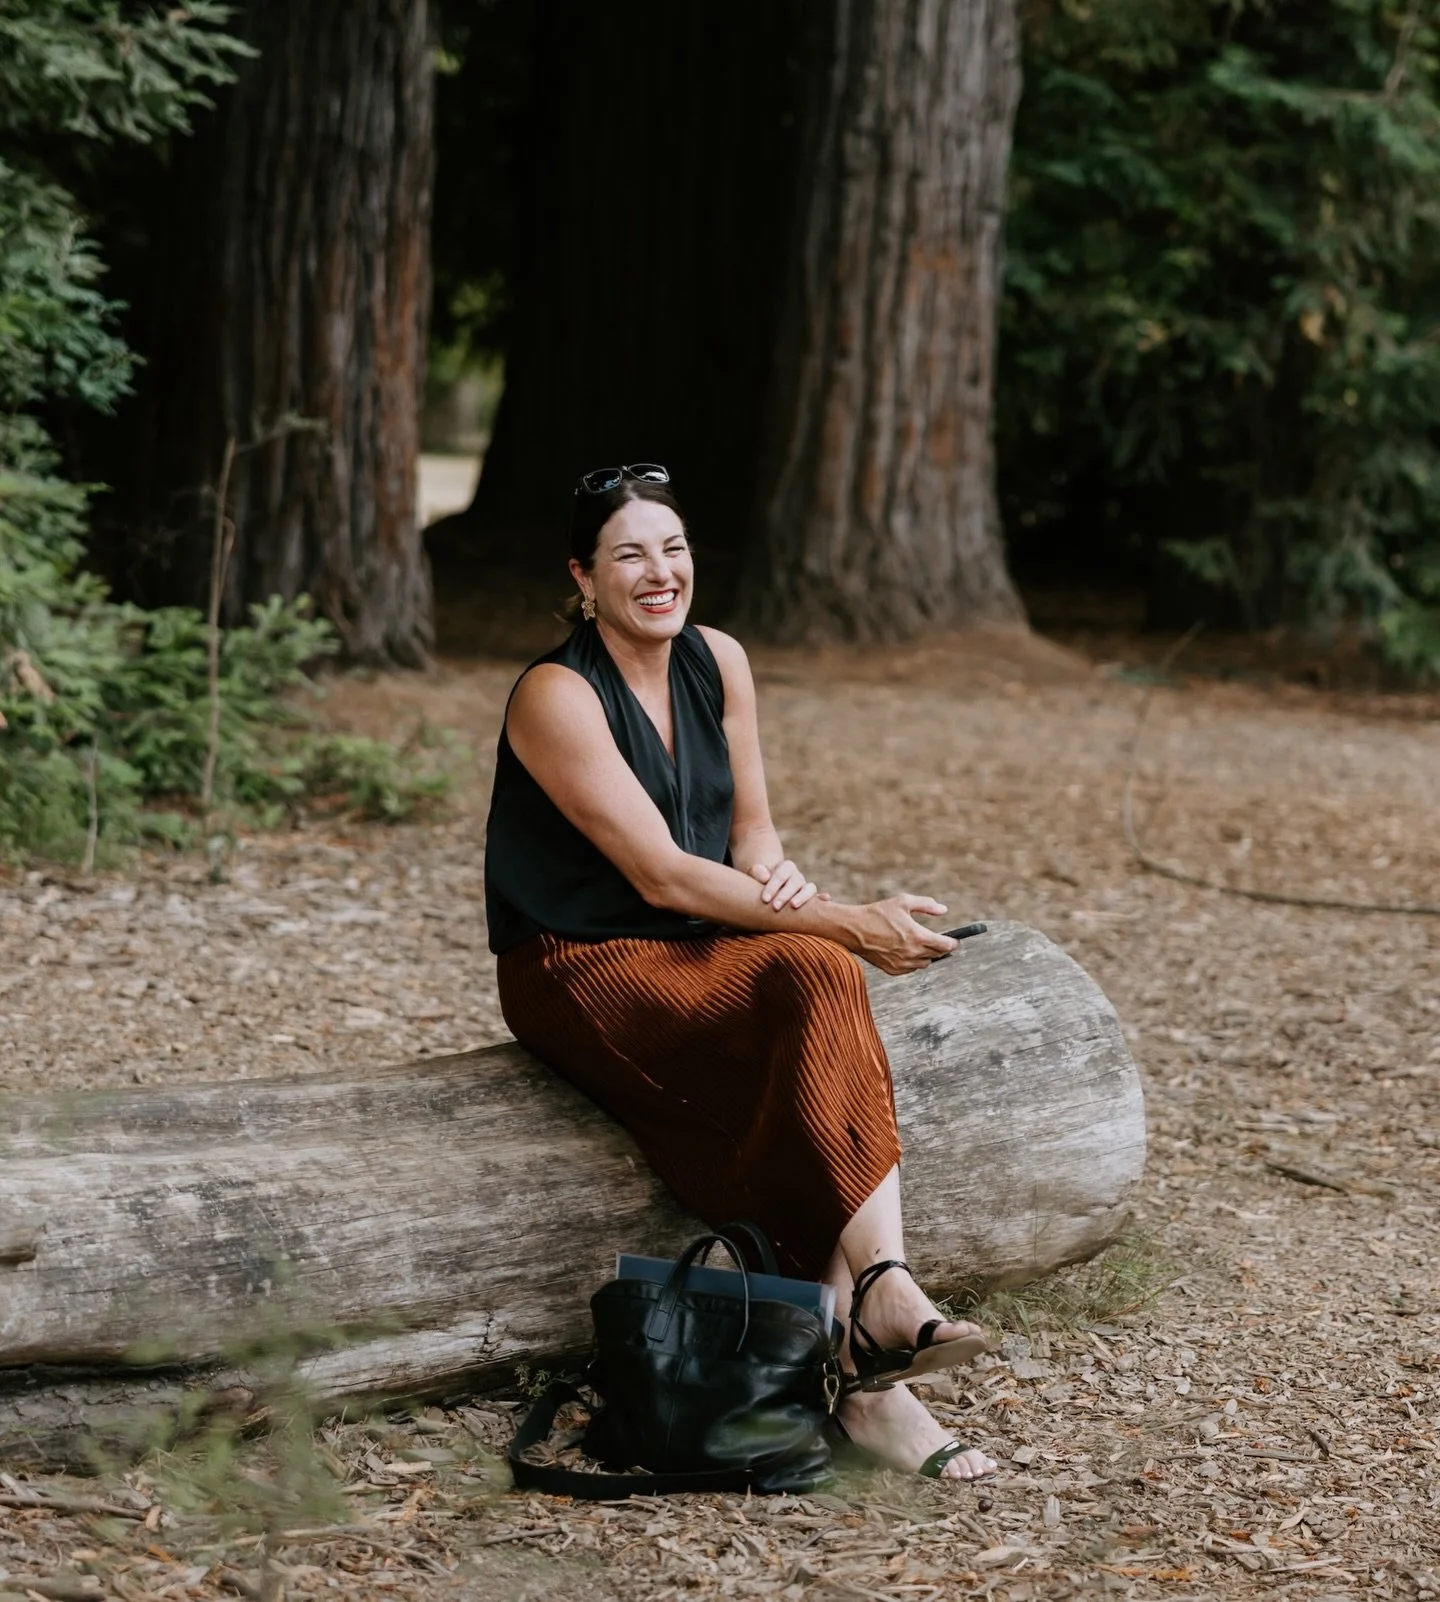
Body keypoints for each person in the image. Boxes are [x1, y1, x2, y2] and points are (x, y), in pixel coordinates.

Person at [484, 464, 997, 1482]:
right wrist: (850, 922)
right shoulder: (554, 694)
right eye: (629, 554)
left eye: (672, 548)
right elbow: (661, 869)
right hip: (583, 961)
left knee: (815, 978)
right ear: (583, 577)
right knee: (813, 985)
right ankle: (873, 1371)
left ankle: (885, 1289)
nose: (659, 571)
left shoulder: (719, 660)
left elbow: (749, 836)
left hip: (694, 941)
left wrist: (789, 889)